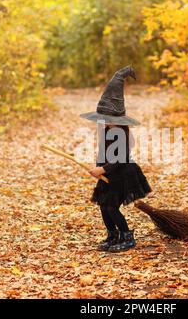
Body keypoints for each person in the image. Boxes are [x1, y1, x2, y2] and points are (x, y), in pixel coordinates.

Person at [80, 66, 152, 252]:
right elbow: (104, 152)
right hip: (109, 173)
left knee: (112, 207)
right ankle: (112, 235)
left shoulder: (122, 133)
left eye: (105, 118)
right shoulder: (107, 130)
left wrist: (103, 170)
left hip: (122, 174)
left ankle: (127, 237)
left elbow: (120, 158)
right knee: (104, 206)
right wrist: (98, 167)